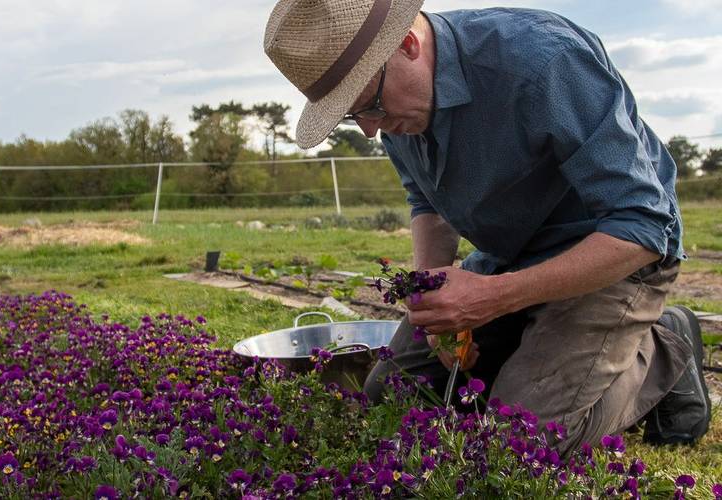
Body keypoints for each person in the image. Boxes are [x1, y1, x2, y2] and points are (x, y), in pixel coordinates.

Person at [263, 0, 711, 454]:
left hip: (608, 258)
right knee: (392, 397)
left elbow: (643, 225)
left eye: (370, 106)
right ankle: (534, 350)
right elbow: (428, 202)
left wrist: (493, 297)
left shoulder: (544, 60)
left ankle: (661, 349)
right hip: (511, 256)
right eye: (351, 114)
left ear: (407, 44)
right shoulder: (398, 111)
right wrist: (434, 300)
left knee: (520, 440)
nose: (369, 130)